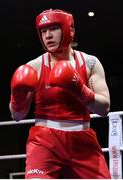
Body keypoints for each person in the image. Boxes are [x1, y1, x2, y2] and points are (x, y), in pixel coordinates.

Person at [9, 9, 111, 179]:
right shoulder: (34, 67)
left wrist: (79, 89)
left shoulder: (90, 63)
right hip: (45, 142)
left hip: (82, 141)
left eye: (53, 29)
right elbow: (17, 116)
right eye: (43, 31)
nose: (47, 36)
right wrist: (17, 97)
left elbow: (104, 108)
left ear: (69, 30)